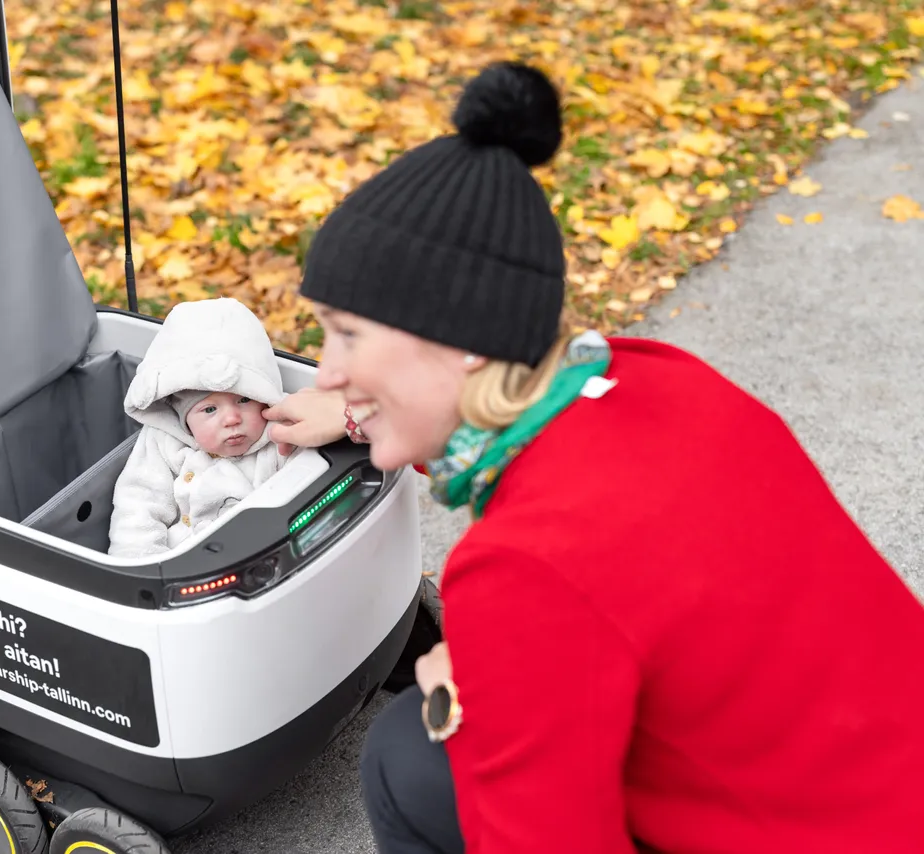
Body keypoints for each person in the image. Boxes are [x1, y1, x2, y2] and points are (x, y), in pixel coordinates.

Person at [262, 61, 924, 853]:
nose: (327, 365)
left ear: (463, 341)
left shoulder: (522, 569)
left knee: (412, 754)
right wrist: (360, 410)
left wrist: (460, 707)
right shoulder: (651, 376)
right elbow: (546, 464)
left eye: (348, 333)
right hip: (877, 787)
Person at [108, 297, 291, 557]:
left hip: (263, 551)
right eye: (210, 409)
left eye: (244, 400)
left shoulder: (281, 437)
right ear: (184, 420)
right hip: (183, 558)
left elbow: (303, 486)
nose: (231, 419)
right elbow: (139, 503)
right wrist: (140, 562)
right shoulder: (165, 442)